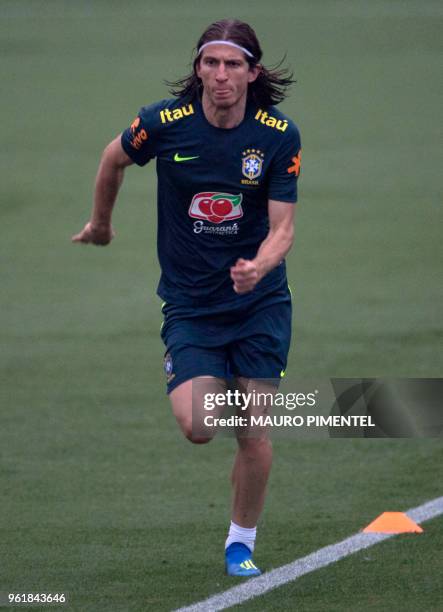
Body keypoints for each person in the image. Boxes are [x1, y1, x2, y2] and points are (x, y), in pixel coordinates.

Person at [72, 18, 301, 577]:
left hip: (259, 304)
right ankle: (205, 369)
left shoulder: (277, 135)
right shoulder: (163, 124)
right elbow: (112, 160)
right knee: (200, 425)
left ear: (252, 72)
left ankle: (240, 544)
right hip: (192, 305)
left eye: (232, 65)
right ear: (198, 69)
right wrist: (101, 225)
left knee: (254, 429)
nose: (220, 76)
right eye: (210, 64)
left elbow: (283, 228)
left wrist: (259, 267)